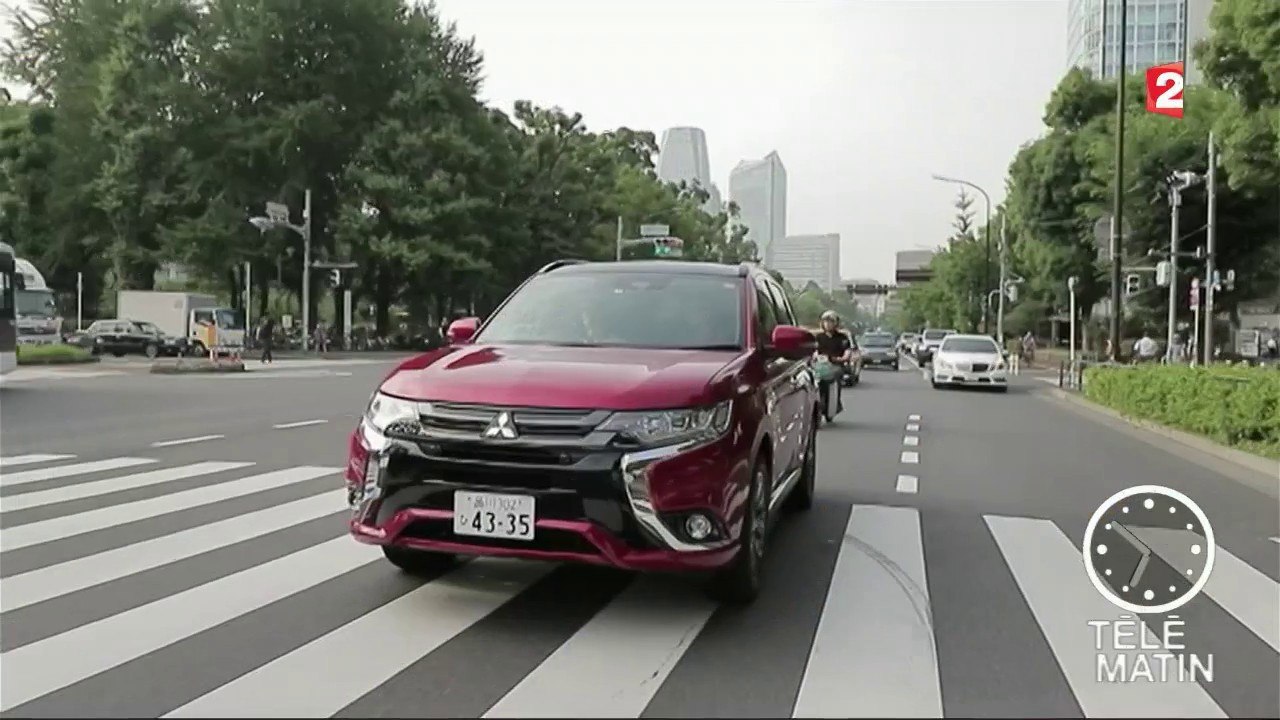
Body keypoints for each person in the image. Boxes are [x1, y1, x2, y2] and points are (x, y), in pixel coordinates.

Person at [814, 310, 852, 422]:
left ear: (836, 323)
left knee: (835, 375)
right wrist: (815, 357)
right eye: (826, 321)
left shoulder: (842, 338)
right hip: (820, 366)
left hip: (836, 366)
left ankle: (834, 404)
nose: (828, 324)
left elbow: (847, 352)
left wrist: (842, 358)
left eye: (831, 321)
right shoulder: (819, 337)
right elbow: (814, 351)